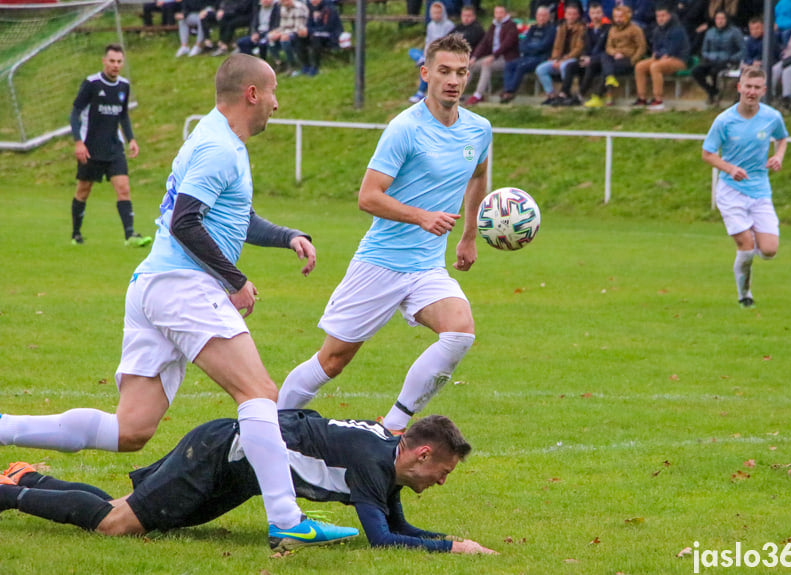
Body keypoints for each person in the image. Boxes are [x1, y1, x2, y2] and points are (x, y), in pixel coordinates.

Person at [0, 54, 357, 552]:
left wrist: (288, 236)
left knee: (131, 428)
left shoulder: (219, 140)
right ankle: (287, 518)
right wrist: (234, 279)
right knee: (259, 393)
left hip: (153, 285)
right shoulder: (217, 147)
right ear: (251, 94)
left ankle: (2, 429)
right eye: (273, 91)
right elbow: (185, 222)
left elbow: (234, 217)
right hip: (182, 285)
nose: (278, 103)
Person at [277, 35, 491, 435]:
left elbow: (478, 177)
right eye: (444, 71)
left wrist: (469, 235)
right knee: (332, 361)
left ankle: (393, 427)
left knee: (460, 331)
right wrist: (421, 217)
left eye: (461, 73)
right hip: (381, 262)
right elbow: (368, 197)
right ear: (426, 73)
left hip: (427, 267)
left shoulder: (479, 130)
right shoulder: (404, 129)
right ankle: (267, 426)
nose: (453, 80)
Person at [0, 412, 496, 554]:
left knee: (128, 511)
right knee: (117, 524)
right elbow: (382, 539)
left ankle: (28, 477)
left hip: (238, 470)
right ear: (423, 454)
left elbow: (398, 524)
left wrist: (453, 541)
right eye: (443, 472)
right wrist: (452, 551)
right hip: (223, 453)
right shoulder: (372, 463)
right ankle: (8, 495)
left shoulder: (390, 455)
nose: (442, 482)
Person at [701, 67, 788, 308]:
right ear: (739, 87)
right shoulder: (724, 120)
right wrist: (729, 169)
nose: (751, 91)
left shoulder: (772, 117)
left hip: (760, 190)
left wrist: (778, 156)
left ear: (763, 90)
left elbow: (782, 138)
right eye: (747, 86)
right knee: (746, 246)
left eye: (756, 87)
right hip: (731, 191)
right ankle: (744, 296)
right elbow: (707, 154)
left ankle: (754, 245)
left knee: (769, 251)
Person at [69, 44, 151, 248]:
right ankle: (76, 234)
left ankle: (130, 235)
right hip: (91, 148)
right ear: (104, 61)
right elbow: (74, 113)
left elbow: (123, 114)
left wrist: (131, 139)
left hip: (114, 148)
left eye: (119, 61)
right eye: (112, 61)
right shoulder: (91, 83)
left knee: (124, 189)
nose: (116, 65)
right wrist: (78, 142)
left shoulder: (124, 86)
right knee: (83, 191)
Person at [583, 5, 646, 107]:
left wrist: (632, 59)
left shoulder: (635, 29)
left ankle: (597, 96)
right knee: (598, 60)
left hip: (628, 59)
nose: (618, 19)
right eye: (616, 17)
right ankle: (606, 80)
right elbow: (608, 47)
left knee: (605, 68)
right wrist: (615, 53)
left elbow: (641, 47)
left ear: (628, 16)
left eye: (621, 16)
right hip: (613, 57)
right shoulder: (612, 29)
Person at [632, 4, 690, 110]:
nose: (660, 19)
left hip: (678, 59)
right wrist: (658, 55)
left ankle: (658, 99)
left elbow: (672, 50)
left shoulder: (677, 30)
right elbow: (655, 48)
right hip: (661, 58)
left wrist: (660, 55)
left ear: (669, 16)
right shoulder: (657, 30)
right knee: (640, 66)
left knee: (655, 67)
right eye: (658, 16)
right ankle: (642, 97)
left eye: (663, 16)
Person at [464, 5, 520, 105]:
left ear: (506, 14)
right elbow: (484, 43)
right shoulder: (493, 26)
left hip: (506, 58)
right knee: (470, 66)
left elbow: (506, 44)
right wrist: (474, 58)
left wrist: (494, 56)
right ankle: (459, 91)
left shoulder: (511, 26)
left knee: (486, 65)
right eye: (496, 13)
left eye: (500, 13)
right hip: (493, 57)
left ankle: (478, 95)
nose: (498, 15)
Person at [499, 6, 556, 103]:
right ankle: (507, 88)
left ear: (548, 17)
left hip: (541, 58)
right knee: (509, 65)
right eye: (539, 15)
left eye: (544, 15)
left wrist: (531, 48)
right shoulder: (533, 28)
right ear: (536, 16)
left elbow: (544, 46)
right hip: (527, 56)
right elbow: (522, 45)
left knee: (521, 66)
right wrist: (532, 48)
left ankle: (510, 92)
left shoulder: (551, 30)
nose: (541, 18)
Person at [558, 2, 610, 105]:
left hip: (601, 60)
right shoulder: (587, 30)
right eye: (593, 13)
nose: (595, 16)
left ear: (602, 13)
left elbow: (608, 49)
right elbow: (584, 47)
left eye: (598, 13)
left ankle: (580, 95)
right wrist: (584, 57)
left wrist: (591, 59)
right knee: (570, 66)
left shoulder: (608, 29)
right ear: (589, 15)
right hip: (588, 59)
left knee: (590, 65)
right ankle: (564, 93)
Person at [535, 3, 586, 105]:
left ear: (578, 15)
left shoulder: (582, 29)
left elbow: (578, 49)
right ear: (565, 15)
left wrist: (563, 59)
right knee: (541, 69)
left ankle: (566, 93)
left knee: (564, 67)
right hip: (559, 59)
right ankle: (551, 94)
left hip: (573, 59)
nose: (571, 16)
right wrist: (555, 59)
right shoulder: (561, 28)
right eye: (569, 14)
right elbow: (557, 46)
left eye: (574, 14)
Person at [691, 10, 745, 105]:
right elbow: (704, 50)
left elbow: (743, 49)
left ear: (726, 19)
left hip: (728, 61)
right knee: (696, 71)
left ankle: (714, 96)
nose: (720, 21)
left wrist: (732, 58)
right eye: (717, 18)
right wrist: (710, 56)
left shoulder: (735, 32)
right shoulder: (710, 32)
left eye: (722, 18)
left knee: (715, 71)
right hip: (711, 60)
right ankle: (712, 91)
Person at [409, 1, 456, 103]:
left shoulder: (449, 25)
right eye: (434, 13)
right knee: (412, 51)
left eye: (439, 13)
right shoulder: (430, 25)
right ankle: (422, 59)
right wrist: (426, 53)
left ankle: (420, 92)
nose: (437, 15)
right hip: (429, 52)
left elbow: (446, 43)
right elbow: (428, 42)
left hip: (441, 53)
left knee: (427, 65)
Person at [294, 0, 344, 76]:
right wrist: (305, 30)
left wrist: (309, 31)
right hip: (315, 32)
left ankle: (315, 67)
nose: (312, 1)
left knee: (315, 38)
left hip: (331, 35)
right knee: (298, 37)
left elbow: (328, 27)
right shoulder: (310, 8)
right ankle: (305, 66)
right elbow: (309, 23)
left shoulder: (329, 8)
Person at [274, 0, 310, 75]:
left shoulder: (299, 8)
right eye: (282, 2)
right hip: (287, 31)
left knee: (284, 39)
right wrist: (276, 32)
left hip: (299, 32)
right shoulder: (283, 8)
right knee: (270, 38)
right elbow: (283, 25)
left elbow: (299, 27)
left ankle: (292, 64)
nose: (283, 3)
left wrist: (282, 34)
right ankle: (279, 63)